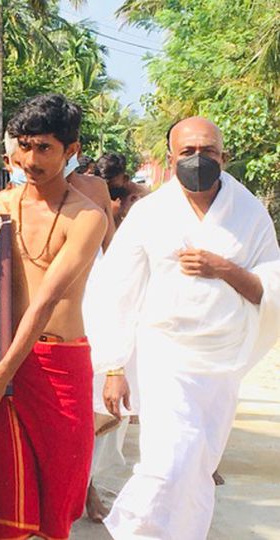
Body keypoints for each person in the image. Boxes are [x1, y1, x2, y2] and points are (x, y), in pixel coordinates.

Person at [91, 117, 280, 540]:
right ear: (171, 158)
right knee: (166, 464)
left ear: (224, 157)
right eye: (188, 152)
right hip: (164, 356)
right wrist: (115, 368)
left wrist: (224, 269)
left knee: (196, 468)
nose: (198, 159)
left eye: (208, 151)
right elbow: (116, 290)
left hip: (222, 363)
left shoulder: (250, 213)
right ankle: (132, 531)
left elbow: (270, 290)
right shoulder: (150, 214)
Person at [0, 94, 107, 540]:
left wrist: (1, 372)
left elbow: (44, 302)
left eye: (44, 148)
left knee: (58, 504)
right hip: (5, 364)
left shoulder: (88, 217)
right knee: (6, 504)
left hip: (59, 366)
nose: (30, 159)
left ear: (72, 150)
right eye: (23, 146)